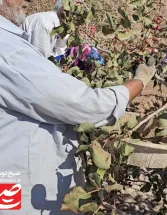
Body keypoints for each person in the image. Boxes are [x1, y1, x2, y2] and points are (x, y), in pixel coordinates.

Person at [0, 0, 156, 214]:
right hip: (24, 193)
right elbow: (79, 103)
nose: (28, 0)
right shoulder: (8, 49)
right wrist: (137, 83)